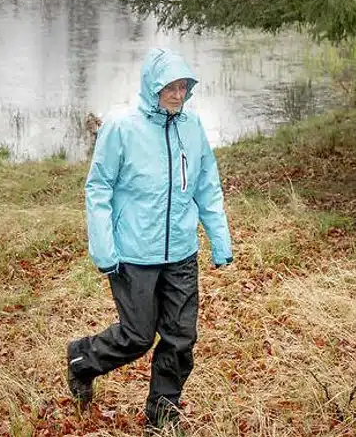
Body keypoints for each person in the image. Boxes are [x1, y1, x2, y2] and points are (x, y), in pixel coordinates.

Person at [67, 47, 234, 433]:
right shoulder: (122, 127)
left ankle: (161, 416)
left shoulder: (191, 126)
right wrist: (104, 249)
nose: (177, 94)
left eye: (183, 86)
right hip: (133, 254)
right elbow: (99, 189)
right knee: (138, 335)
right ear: (151, 87)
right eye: (169, 87)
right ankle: (82, 359)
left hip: (180, 252)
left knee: (180, 337)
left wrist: (219, 240)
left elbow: (207, 186)